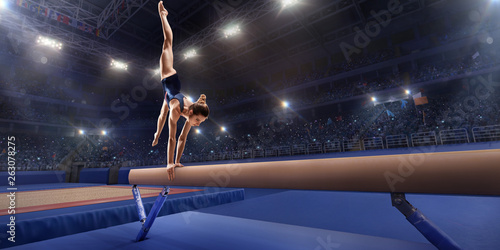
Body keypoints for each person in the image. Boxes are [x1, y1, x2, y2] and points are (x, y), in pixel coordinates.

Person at [152, 1, 209, 181]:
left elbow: (182, 139)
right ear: (192, 112)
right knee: (168, 43)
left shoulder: (189, 115)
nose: (198, 124)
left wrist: (176, 162)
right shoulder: (177, 110)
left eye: (200, 121)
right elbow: (172, 139)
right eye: (198, 120)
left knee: (161, 118)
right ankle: (163, 16)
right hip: (169, 78)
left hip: (169, 96)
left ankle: (155, 134)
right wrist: (168, 162)